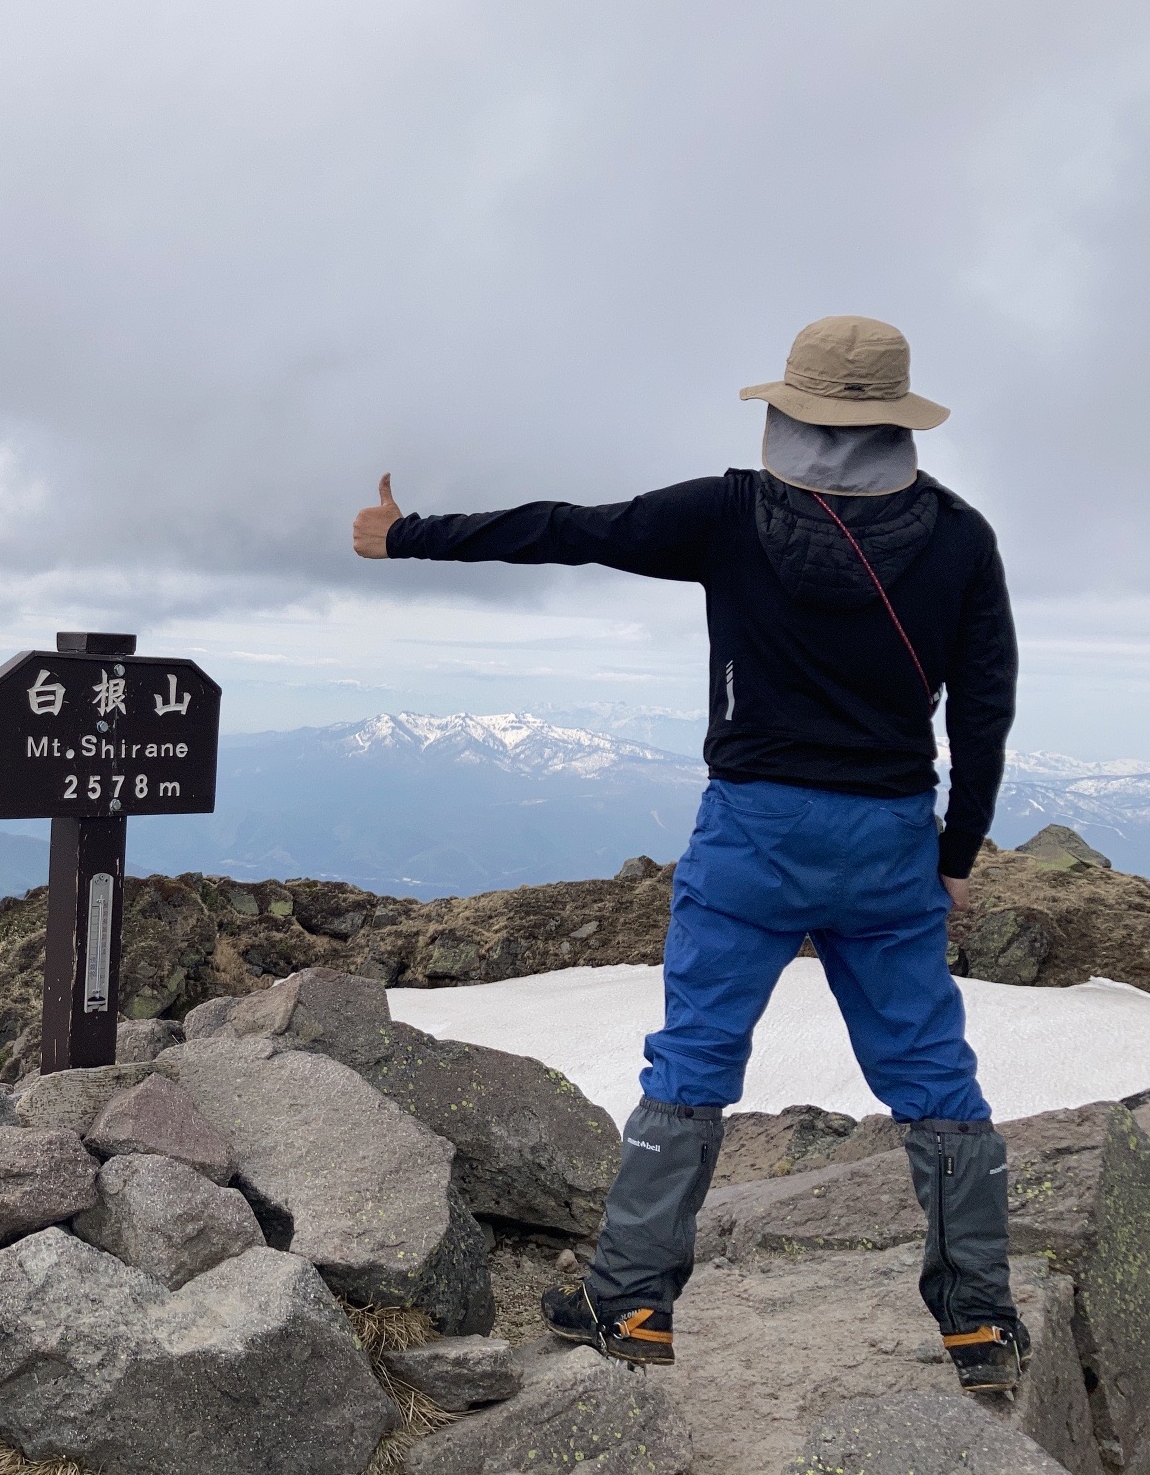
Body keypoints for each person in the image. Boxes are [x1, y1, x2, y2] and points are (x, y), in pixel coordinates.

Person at [351, 316, 1024, 1392]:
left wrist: (407, 534)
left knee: (696, 1056)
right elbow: (983, 711)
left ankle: (634, 1306)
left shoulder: (725, 514)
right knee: (932, 1069)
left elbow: (570, 528)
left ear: (788, 411)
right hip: (890, 835)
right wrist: (958, 849)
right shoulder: (960, 536)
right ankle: (979, 1322)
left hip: (756, 827)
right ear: (896, 418)